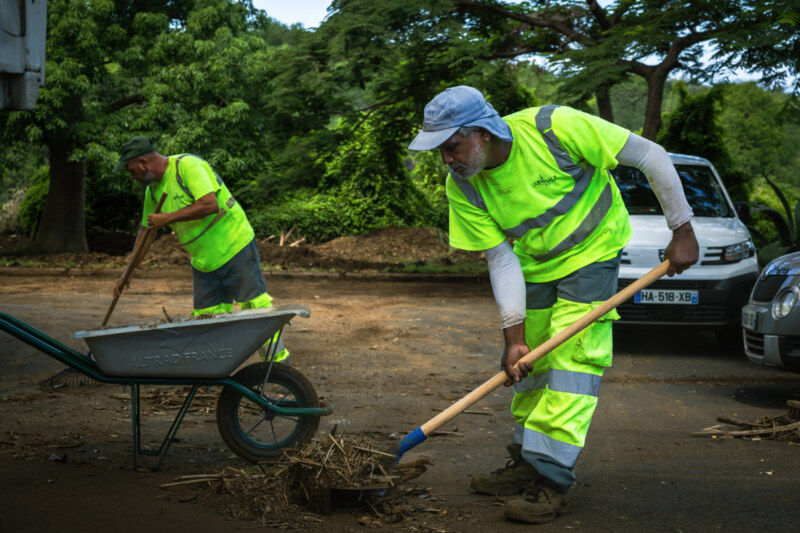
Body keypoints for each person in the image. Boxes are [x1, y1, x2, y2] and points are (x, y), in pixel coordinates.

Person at [409, 86, 698, 524]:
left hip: (592, 251)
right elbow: (501, 258)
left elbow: (651, 155)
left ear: (483, 133)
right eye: (440, 151)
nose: (447, 160)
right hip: (534, 260)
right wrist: (515, 338)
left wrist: (682, 230)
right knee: (530, 365)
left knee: (571, 366)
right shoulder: (463, 187)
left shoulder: (554, 128)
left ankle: (551, 479)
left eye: (451, 147)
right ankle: (527, 461)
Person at [113, 136, 289, 363]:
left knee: (256, 310)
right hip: (204, 261)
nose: (132, 177)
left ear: (143, 162)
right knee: (208, 319)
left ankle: (279, 368)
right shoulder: (153, 192)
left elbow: (209, 204)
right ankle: (216, 374)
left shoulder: (187, 166)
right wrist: (127, 272)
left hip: (234, 247)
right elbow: (146, 231)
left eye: (132, 171)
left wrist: (168, 218)